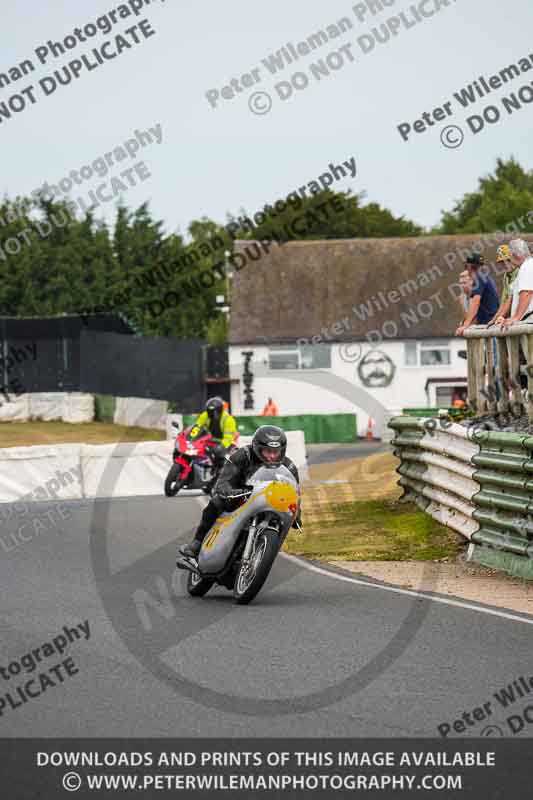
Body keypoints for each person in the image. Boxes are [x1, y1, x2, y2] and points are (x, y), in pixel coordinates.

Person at [178, 425, 301, 559]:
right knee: (215, 502)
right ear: (257, 447)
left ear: (282, 451)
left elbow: (294, 493)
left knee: (284, 520)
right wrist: (229, 491)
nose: (272, 456)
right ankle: (197, 542)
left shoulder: (289, 466)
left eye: (275, 452)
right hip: (240, 495)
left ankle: (264, 553)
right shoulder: (242, 455)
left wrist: (297, 514)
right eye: (267, 451)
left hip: (267, 500)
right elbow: (223, 481)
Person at [193, 396, 238, 492]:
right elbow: (197, 427)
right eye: (210, 412)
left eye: (215, 412)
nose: (212, 414)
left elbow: (229, 437)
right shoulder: (205, 415)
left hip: (227, 442)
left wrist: (222, 447)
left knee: (220, 459)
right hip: (211, 440)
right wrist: (191, 437)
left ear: (220, 410)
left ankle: (218, 479)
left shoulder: (228, 419)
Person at [455, 252, 499, 336]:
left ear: (469, 266)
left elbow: (475, 302)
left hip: (489, 325)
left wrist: (466, 325)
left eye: (466, 266)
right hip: (488, 323)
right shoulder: (483, 277)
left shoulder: (479, 279)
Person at [496, 239, 533, 329]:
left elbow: (527, 293)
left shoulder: (526, 267)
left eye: (510, 256)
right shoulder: (525, 267)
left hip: (528, 320)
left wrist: (516, 318)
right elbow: (511, 297)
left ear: (515, 255)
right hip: (525, 320)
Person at [487, 244, 518, 325]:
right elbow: (504, 300)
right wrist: (494, 320)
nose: (504, 264)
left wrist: (500, 316)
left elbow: (510, 299)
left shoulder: (519, 272)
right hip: (512, 317)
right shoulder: (506, 276)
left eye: (507, 260)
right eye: (501, 262)